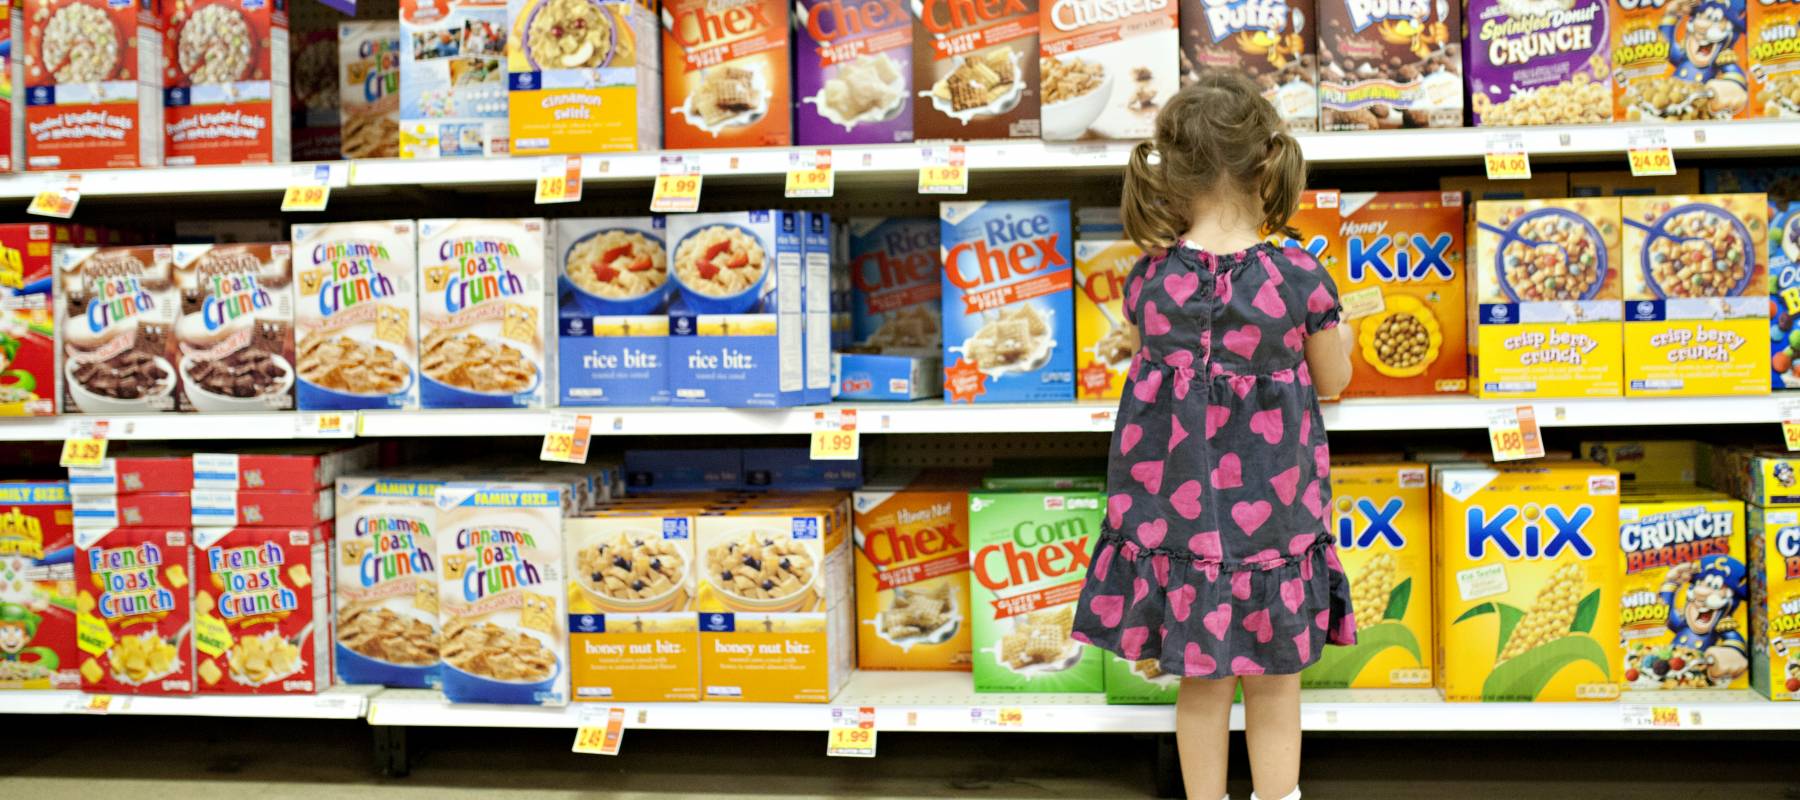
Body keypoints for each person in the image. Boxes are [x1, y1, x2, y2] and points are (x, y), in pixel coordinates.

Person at [1070, 70, 1356, 800]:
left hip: (1180, 525)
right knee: (1275, 683)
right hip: (1276, 515)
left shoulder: (1148, 280)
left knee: (1200, 684)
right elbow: (1334, 381)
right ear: (1268, 164)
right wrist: (1340, 332)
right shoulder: (1299, 277)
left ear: (1171, 175)